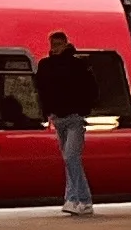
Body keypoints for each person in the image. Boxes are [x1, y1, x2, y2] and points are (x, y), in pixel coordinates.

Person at [38, 28, 98, 216]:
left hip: (74, 118)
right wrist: (46, 113)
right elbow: (41, 90)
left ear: (65, 43)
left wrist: (83, 110)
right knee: (70, 160)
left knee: (70, 157)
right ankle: (77, 199)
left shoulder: (77, 65)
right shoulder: (46, 66)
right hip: (58, 118)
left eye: (57, 44)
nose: (54, 48)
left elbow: (91, 89)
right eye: (52, 45)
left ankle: (79, 199)